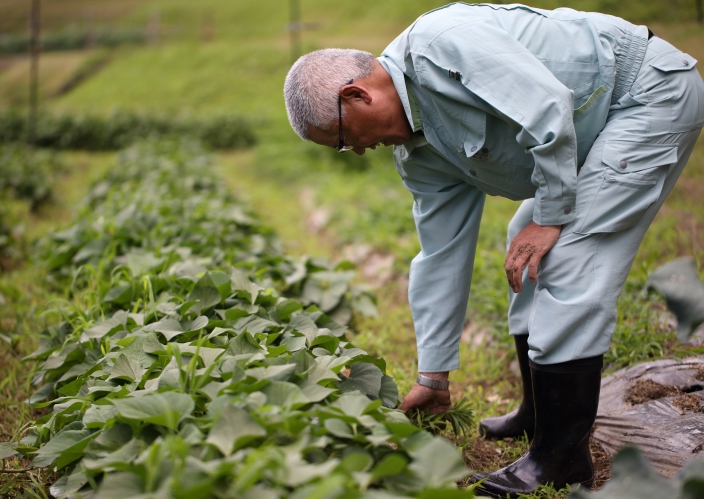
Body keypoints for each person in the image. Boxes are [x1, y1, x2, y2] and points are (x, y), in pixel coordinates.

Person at [283, 3, 704, 497]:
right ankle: (536, 413)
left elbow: (547, 106)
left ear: (355, 95)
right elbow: (441, 253)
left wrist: (550, 217)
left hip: (644, 96)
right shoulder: (416, 151)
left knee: (568, 257)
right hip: (592, 126)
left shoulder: (443, 45)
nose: (353, 151)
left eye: (340, 139)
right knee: (525, 244)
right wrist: (433, 372)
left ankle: (560, 460)